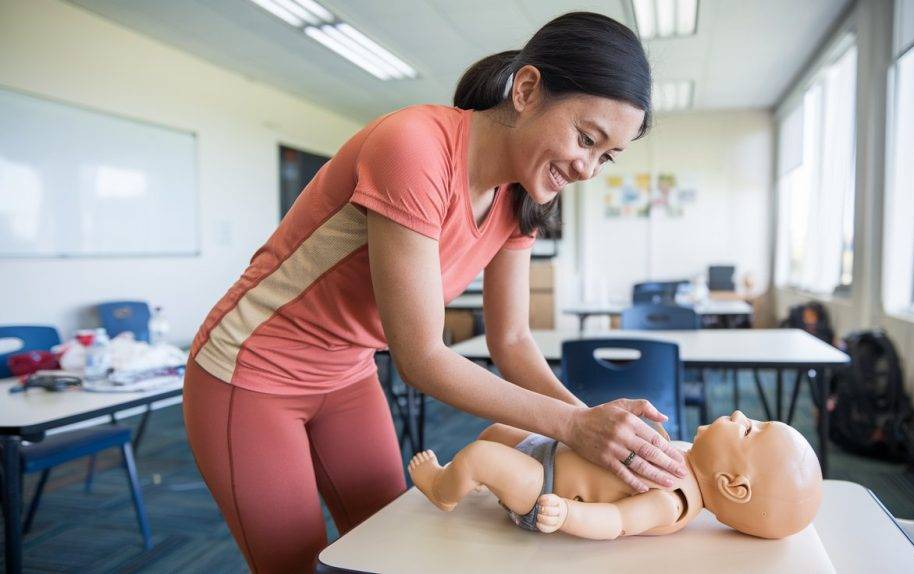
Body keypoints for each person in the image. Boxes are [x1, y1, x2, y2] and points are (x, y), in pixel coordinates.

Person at [182, 11, 686, 572]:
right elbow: (421, 357)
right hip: (250, 372)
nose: (588, 168)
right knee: (295, 562)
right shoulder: (414, 146)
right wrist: (574, 427)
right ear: (526, 90)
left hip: (347, 372)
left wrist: (598, 429)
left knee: (390, 549)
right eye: (586, 139)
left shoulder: (524, 197)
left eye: (605, 155)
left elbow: (513, 340)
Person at [408, 411, 823, 540]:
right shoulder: (688, 458)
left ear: (732, 485)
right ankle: (477, 480)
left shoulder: (673, 503)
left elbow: (618, 522)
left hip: (544, 491)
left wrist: (566, 514)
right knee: (500, 431)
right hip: (550, 452)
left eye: (748, 429)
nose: (738, 415)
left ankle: (444, 489)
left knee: (480, 455)